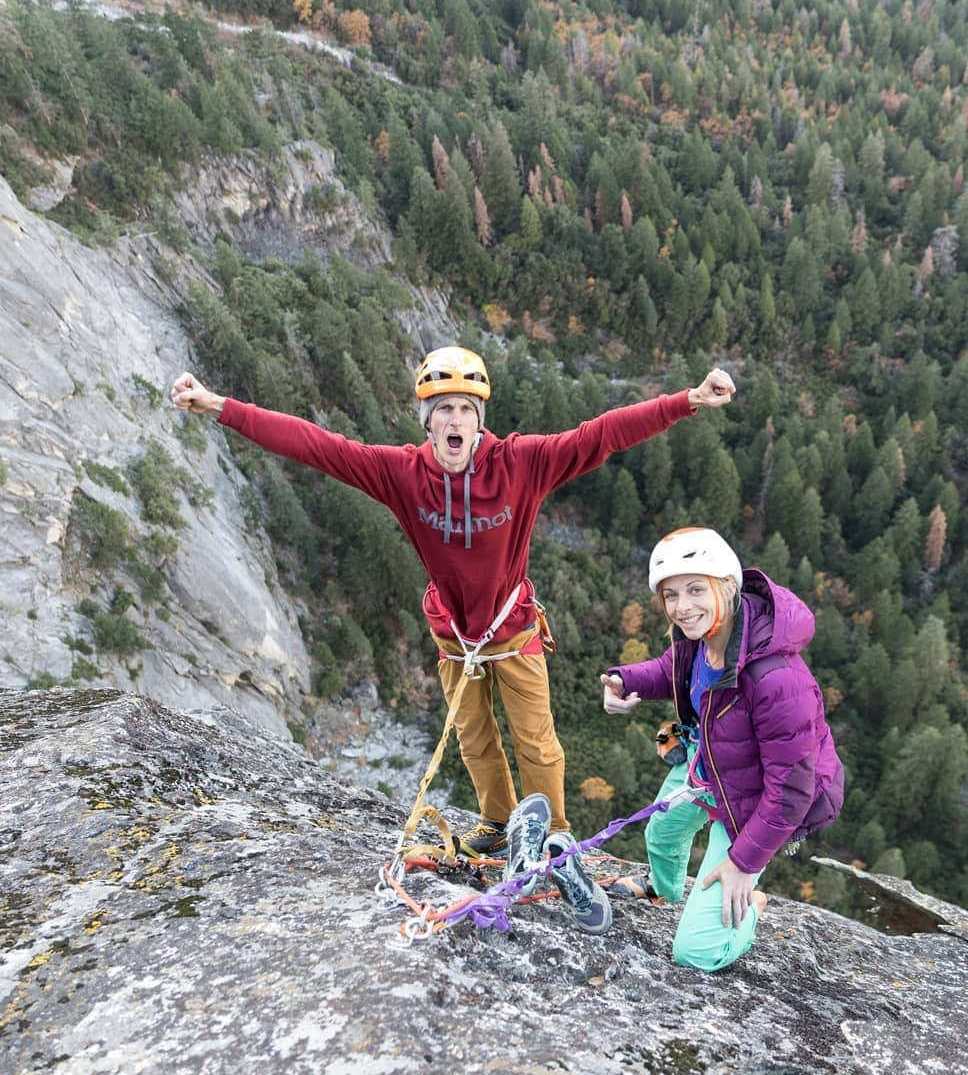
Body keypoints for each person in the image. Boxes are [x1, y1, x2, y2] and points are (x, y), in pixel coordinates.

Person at [171, 348, 735, 857]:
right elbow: (315, 446)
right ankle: (495, 821)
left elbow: (601, 434)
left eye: (466, 409)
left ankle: (554, 831)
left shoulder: (521, 464)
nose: (455, 421)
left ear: (479, 419)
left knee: (535, 738)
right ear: (428, 421)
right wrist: (220, 406)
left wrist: (685, 401)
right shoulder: (400, 474)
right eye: (443, 410)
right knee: (473, 736)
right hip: (454, 636)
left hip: (512, 630)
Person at [600, 527, 844, 972]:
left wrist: (743, 864)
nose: (682, 607)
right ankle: (665, 890)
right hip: (713, 766)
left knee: (695, 954)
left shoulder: (776, 678)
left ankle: (751, 909)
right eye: (671, 595)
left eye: (696, 589)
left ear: (727, 587)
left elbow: (791, 791)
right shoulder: (704, 639)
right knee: (662, 831)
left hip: (755, 800)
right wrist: (626, 679)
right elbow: (671, 667)